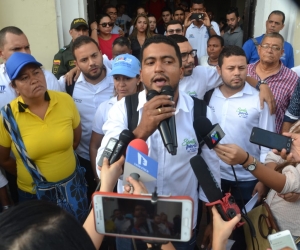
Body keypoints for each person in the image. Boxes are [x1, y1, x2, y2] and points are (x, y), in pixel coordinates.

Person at [96, 35, 221, 250]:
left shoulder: (202, 112)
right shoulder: (122, 110)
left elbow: (212, 170)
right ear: (142, 73)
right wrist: (141, 131)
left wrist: (213, 221)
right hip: (130, 225)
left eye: (168, 61)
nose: (159, 68)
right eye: (150, 62)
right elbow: (102, 168)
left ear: (181, 70)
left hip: (178, 225)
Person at [0, 52, 87, 221]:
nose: (34, 80)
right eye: (24, 78)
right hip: (33, 196)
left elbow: (75, 140)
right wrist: (27, 171)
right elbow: (3, 159)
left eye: (36, 72)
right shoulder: (7, 116)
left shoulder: (65, 101)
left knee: (77, 236)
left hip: (73, 188)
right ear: (15, 87)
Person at [209, 45, 275, 249]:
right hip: (215, 178)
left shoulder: (260, 99)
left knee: (245, 234)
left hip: (248, 181)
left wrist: (264, 180)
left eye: (241, 67)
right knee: (215, 230)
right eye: (230, 68)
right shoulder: (208, 96)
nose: (237, 73)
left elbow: (268, 146)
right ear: (219, 70)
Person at [214, 131, 300, 250]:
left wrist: (247, 161)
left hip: (292, 233)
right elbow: (273, 156)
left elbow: (289, 183)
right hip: (268, 216)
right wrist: (272, 179)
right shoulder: (297, 128)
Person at [89, 54, 143, 178]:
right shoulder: (104, 107)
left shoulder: (146, 107)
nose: (121, 84)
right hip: (112, 176)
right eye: (117, 78)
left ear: (139, 78)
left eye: (127, 78)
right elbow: (95, 145)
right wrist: (100, 179)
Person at [247, 32, 299, 133]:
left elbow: (294, 115)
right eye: (266, 46)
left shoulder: (292, 79)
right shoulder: (245, 71)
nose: (270, 50)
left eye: (275, 47)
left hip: (271, 142)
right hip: (242, 138)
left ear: (282, 53)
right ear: (259, 49)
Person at [0, 26, 62, 109]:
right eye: (16, 49)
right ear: (1, 53)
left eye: (27, 47)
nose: (25, 53)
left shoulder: (47, 77)